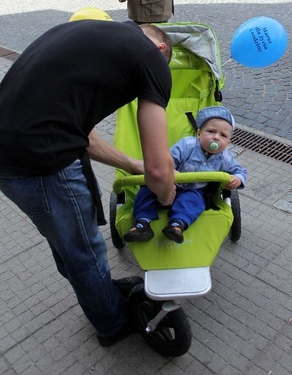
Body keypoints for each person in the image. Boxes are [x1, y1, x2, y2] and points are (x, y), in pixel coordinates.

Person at [0, 20, 176, 346]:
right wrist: (167, 198)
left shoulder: (93, 34)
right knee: (84, 249)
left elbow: (82, 133)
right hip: (38, 159)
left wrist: (130, 163)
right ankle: (113, 323)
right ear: (162, 48)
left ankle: (100, 291)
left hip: (9, 151)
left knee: (66, 240)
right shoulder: (151, 58)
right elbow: (158, 170)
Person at [124, 106, 247, 245]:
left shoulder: (225, 158)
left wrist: (237, 179)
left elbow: (240, 171)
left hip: (193, 191)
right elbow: (166, 162)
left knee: (195, 200)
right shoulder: (187, 146)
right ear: (199, 133)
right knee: (146, 191)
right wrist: (169, 173)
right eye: (211, 131)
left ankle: (177, 225)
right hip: (169, 185)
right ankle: (142, 224)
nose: (216, 137)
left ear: (228, 142)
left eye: (223, 135)